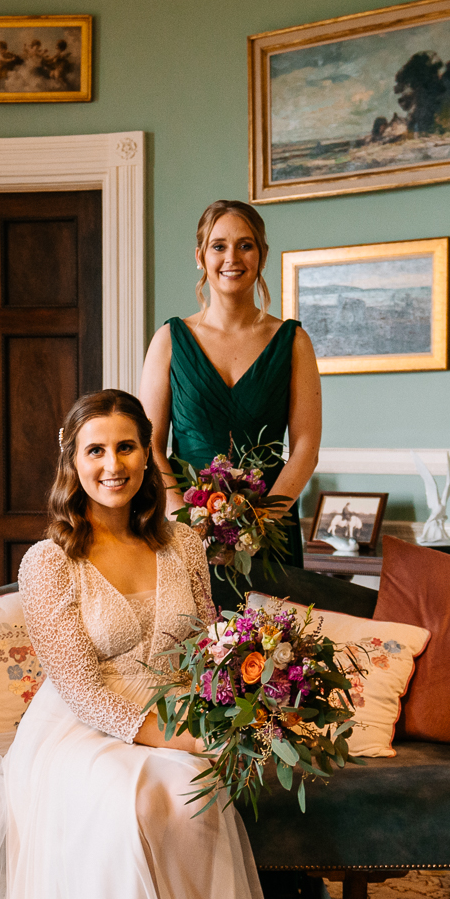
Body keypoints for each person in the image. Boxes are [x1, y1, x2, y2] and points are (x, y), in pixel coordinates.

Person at [0, 390, 267, 899]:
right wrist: (172, 738)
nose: (114, 465)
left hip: (173, 709)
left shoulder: (183, 542)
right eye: (97, 450)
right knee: (129, 800)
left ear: (146, 454)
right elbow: (80, 688)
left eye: (127, 447)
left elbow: (212, 642)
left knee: (190, 798)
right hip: (82, 729)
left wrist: (240, 706)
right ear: (73, 463)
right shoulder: (49, 561)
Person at [138, 199, 322, 612]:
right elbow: (147, 445)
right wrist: (187, 524)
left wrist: (258, 526)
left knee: (271, 659)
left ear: (262, 255)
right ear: (201, 256)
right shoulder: (169, 340)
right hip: (183, 530)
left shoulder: (293, 342)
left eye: (245, 245)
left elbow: (307, 447)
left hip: (271, 532)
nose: (232, 258)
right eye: (219, 246)